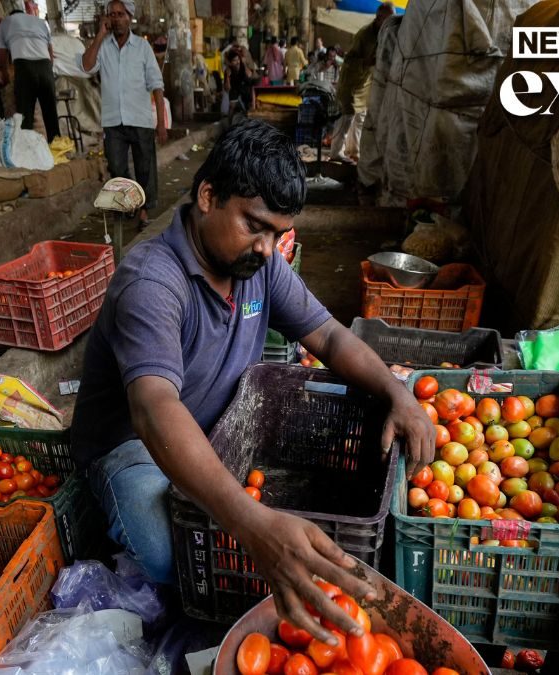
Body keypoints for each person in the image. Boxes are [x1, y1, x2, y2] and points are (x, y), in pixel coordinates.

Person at [69, 120, 434, 639]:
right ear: (208, 195)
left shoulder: (255, 265)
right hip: (134, 445)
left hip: (214, 425)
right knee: (170, 549)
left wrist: (397, 393)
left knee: (245, 530)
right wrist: (252, 525)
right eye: (254, 225)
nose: (267, 248)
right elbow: (154, 410)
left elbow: (328, 336)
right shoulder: (153, 281)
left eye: (277, 233)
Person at [82, 0, 167, 229]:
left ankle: (144, 213)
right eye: (112, 14)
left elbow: (156, 85)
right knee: (118, 168)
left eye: (121, 14)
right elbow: (87, 66)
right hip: (113, 121)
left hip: (140, 119)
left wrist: (161, 123)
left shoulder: (142, 47)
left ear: (129, 17)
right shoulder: (103, 47)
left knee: (145, 167)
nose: (116, 18)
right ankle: (129, 203)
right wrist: (100, 35)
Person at [330, 3, 392, 163]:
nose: (390, 22)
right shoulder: (364, 35)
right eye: (388, 19)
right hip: (351, 81)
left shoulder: (384, 33)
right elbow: (349, 60)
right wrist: (367, 61)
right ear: (379, 18)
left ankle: (354, 150)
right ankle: (336, 152)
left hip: (365, 83)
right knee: (347, 117)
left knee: (361, 118)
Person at [0, 9, 59, 140]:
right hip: (45, 65)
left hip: (24, 67)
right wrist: (47, 73)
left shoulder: (5, 23)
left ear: (12, 15)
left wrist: (5, 74)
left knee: (25, 116)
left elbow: (2, 55)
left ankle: (29, 152)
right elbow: (50, 53)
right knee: (50, 114)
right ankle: (57, 148)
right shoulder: (41, 22)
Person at [224, 46, 255, 113]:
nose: (237, 62)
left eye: (238, 59)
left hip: (246, 90)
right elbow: (227, 89)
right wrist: (227, 77)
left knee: (249, 108)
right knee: (232, 107)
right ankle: (230, 122)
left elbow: (249, 76)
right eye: (234, 60)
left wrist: (244, 64)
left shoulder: (243, 66)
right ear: (230, 62)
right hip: (235, 90)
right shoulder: (228, 70)